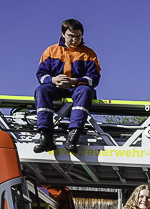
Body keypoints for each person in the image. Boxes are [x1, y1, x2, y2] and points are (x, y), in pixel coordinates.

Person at [34, 19, 101, 154]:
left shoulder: (89, 54)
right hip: (56, 88)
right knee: (41, 90)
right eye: (71, 36)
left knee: (85, 91)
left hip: (78, 89)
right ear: (63, 34)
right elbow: (41, 75)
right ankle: (45, 137)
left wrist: (75, 81)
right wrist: (53, 80)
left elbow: (94, 79)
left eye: (78, 36)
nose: (74, 39)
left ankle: (73, 138)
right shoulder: (50, 51)